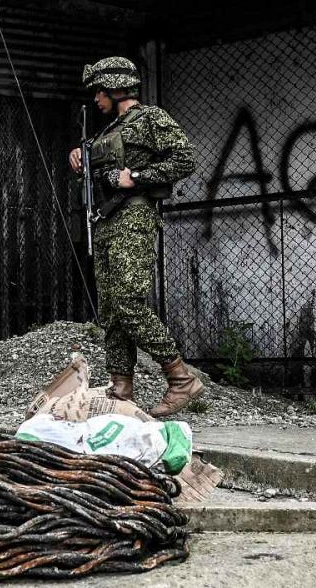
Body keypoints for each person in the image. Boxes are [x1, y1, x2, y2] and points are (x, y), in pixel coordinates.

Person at [68, 56, 204, 417]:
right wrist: (79, 154)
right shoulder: (108, 127)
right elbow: (101, 164)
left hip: (134, 216)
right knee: (111, 310)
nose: (96, 98)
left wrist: (138, 177)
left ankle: (180, 378)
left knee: (128, 301)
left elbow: (184, 159)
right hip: (106, 220)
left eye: (99, 90)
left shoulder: (151, 119)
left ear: (115, 87)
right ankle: (121, 387)